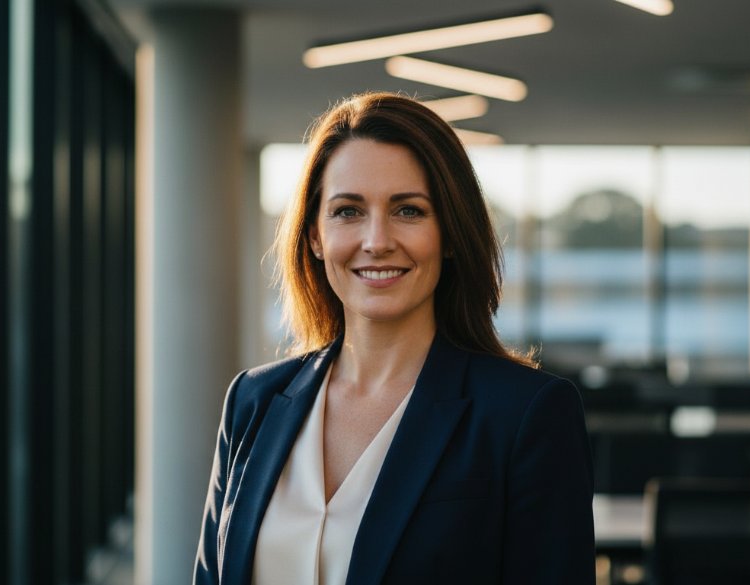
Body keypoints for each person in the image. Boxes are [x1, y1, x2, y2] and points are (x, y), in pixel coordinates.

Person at [194, 92, 595, 585]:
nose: (377, 240)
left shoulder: (524, 416)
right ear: (315, 235)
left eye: (408, 210)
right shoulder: (252, 402)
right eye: (347, 211)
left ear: (449, 233)